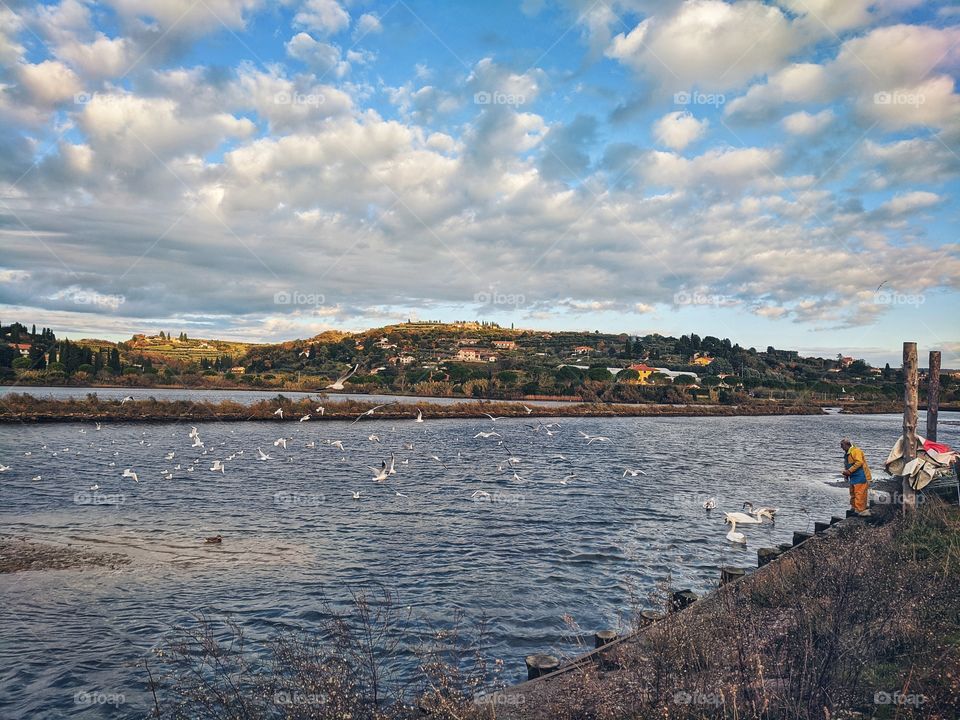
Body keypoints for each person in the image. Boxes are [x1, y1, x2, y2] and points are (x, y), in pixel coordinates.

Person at [840, 438, 872, 516]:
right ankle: (854, 507)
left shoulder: (855, 451)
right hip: (853, 476)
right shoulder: (847, 454)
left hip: (861, 476)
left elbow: (859, 462)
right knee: (853, 492)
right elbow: (847, 465)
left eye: (842, 445)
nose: (841, 447)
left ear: (847, 445)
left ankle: (860, 510)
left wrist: (849, 471)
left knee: (859, 493)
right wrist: (847, 474)